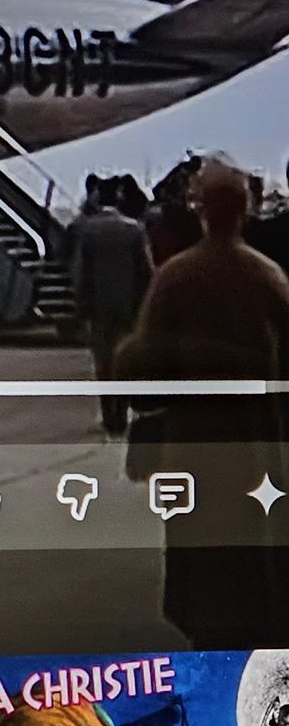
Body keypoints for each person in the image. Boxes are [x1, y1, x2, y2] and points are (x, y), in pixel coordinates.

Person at [114, 155, 289, 647]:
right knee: (255, 579)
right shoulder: (269, 279)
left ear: (200, 210)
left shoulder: (176, 278)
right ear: (246, 210)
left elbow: (138, 367)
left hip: (194, 455)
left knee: (203, 583)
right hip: (258, 454)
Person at [65, 175, 150, 435]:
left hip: (99, 308)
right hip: (128, 307)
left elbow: (82, 275)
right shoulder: (134, 229)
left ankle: (108, 414)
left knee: (102, 363)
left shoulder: (89, 230)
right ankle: (122, 413)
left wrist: (81, 309)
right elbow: (145, 271)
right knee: (123, 361)